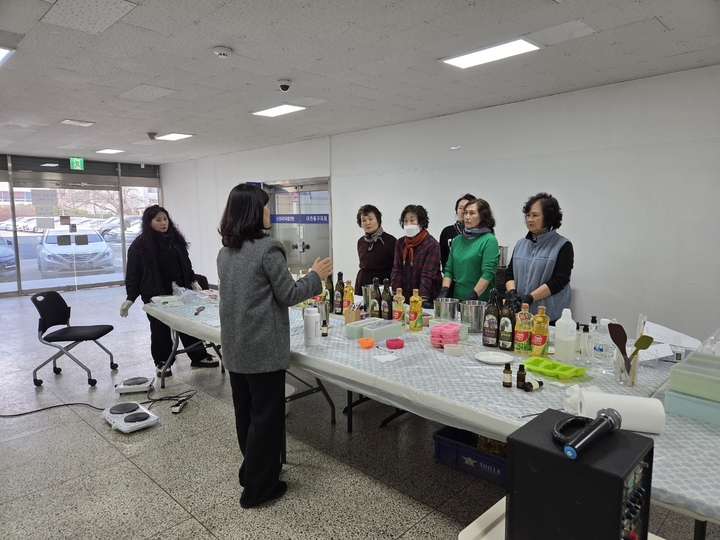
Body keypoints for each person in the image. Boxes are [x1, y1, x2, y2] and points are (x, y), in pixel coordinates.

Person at [216, 183, 332, 509]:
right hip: (263, 350)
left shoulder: (225, 252)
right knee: (266, 421)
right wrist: (315, 275)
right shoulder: (268, 249)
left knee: (246, 417)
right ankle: (258, 490)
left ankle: (251, 472)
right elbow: (289, 294)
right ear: (254, 212)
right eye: (265, 206)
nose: (269, 212)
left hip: (236, 348)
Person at [121, 205, 219, 376]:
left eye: (165, 219)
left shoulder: (175, 240)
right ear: (149, 222)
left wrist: (193, 281)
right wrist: (130, 298)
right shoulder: (140, 245)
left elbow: (186, 264)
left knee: (188, 324)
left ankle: (198, 356)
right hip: (155, 294)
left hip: (180, 292)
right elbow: (133, 274)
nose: (163, 223)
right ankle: (162, 361)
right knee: (160, 329)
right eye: (158, 220)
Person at [505, 192, 574, 323]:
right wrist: (512, 294)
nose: (529, 219)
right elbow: (510, 273)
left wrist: (530, 298)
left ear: (548, 218)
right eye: (528, 215)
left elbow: (560, 280)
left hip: (548, 317)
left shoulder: (563, 245)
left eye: (535, 215)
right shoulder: (520, 244)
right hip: (521, 314)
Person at [438, 198, 499, 302]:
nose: (466, 217)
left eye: (472, 213)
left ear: (482, 216)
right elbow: (449, 270)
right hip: (458, 298)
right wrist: (444, 291)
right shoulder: (457, 240)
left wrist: (473, 296)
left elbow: (488, 273)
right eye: (465, 213)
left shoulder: (489, 240)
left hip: (480, 301)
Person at [390, 204, 442, 308]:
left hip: (426, 297)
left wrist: (423, 298)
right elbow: (397, 270)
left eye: (412, 220)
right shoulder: (400, 243)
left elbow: (427, 274)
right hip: (405, 295)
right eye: (405, 221)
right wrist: (395, 293)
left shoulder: (432, 244)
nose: (408, 224)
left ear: (421, 223)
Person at [354, 204, 396, 292]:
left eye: (370, 219)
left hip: (383, 283)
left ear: (378, 220)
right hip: (363, 282)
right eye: (364, 220)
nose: (367, 223)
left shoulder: (390, 241)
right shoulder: (361, 241)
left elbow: (396, 267)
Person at [439, 193, 476, 271]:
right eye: (460, 208)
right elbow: (443, 256)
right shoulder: (447, 232)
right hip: (451, 275)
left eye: (466, 208)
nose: (463, 211)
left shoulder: (481, 234)